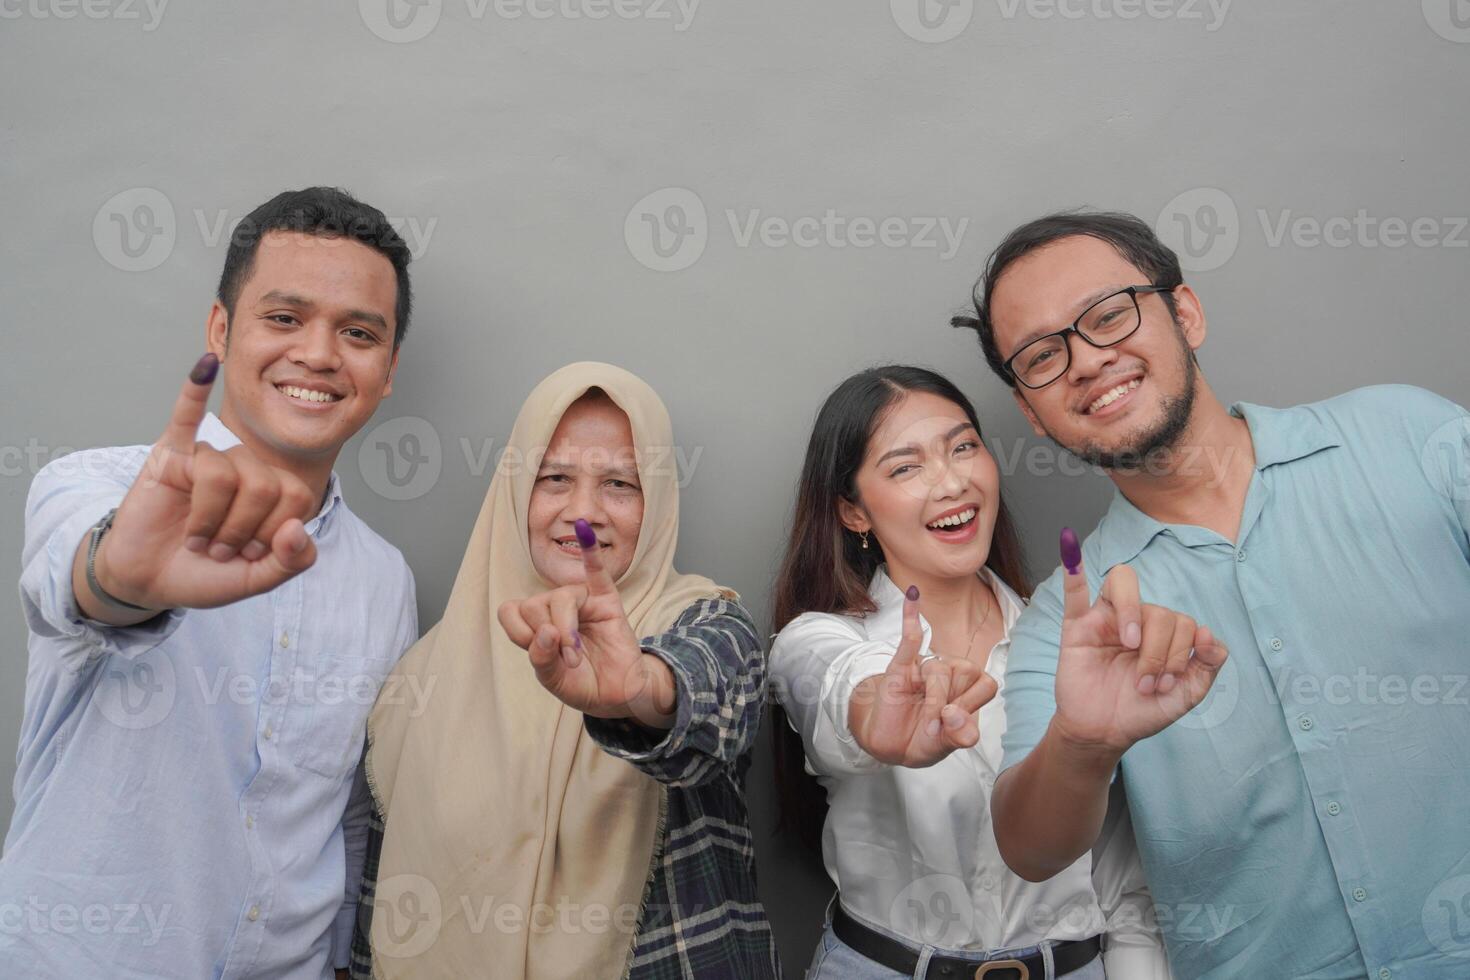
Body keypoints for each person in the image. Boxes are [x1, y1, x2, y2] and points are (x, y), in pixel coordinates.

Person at [954, 209, 1470, 979]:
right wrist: (1084, 745)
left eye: (1107, 315)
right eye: (1042, 356)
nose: (1088, 361)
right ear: (1030, 411)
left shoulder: (1411, 438)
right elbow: (1028, 848)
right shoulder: (1070, 618)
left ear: (1185, 314)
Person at [4, 187, 420, 978]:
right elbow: (85, 580)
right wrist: (124, 579)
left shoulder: (385, 579)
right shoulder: (93, 486)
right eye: (285, 318)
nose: (321, 355)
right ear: (221, 331)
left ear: (389, 368)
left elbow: (345, 813)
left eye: (359, 333)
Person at [352, 362, 779, 980]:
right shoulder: (423, 675)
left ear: (656, 501)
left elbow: (716, 699)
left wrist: (640, 692)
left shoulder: (706, 620)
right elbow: (381, 898)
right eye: (554, 478)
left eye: (620, 485)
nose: (585, 513)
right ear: (515, 490)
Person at [769, 365, 1170, 980]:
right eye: (906, 467)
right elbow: (840, 685)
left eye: (963, 448)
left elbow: (1122, 877)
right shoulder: (817, 640)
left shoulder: (1075, 639)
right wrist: (877, 712)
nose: (952, 482)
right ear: (853, 511)